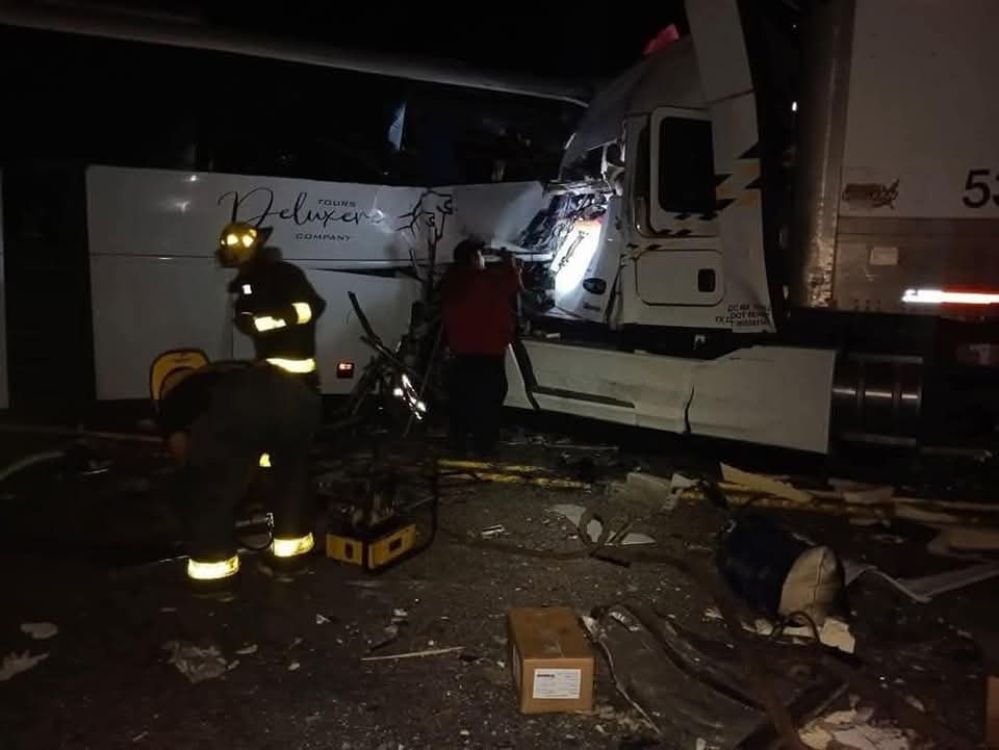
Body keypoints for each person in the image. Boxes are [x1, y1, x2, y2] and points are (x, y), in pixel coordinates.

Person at [153, 352, 320, 590]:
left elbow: (183, 453)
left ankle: (214, 576)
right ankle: (291, 560)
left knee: (210, 492)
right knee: (291, 481)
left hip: (244, 405)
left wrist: (195, 475)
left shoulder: (173, 405)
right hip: (299, 398)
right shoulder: (219, 372)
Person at [217, 222, 327, 389]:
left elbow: (315, 306)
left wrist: (268, 322)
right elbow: (245, 310)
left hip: (295, 374)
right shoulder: (249, 279)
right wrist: (244, 319)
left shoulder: (285, 273)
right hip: (270, 371)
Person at [440, 239, 522, 455]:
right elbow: (513, 286)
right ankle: (483, 445)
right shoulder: (486, 281)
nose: (484, 259)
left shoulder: (451, 281)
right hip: (488, 351)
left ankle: (457, 442)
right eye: (481, 255)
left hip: (461, 351)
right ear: (473, 258)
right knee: (489, 400)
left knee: (462, 399)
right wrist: (510, 262)